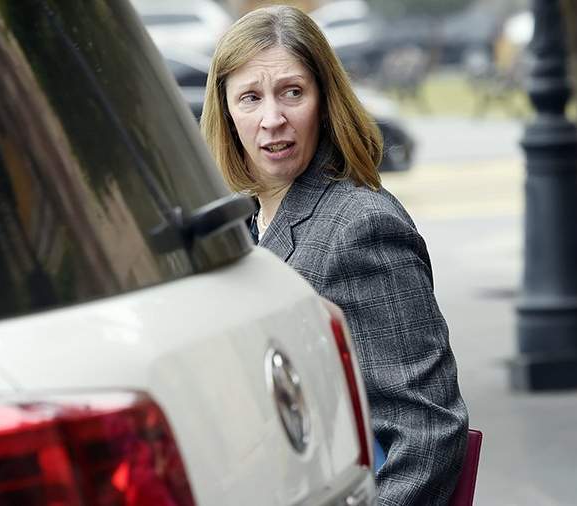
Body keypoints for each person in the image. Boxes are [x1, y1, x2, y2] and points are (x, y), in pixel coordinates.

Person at [200, 6, 469, 505]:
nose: (273, 119)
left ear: (324, 102)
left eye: (292, 92)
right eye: (251, 98)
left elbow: (427, 431)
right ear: (228, 113)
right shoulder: (245, 226)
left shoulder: (360, 226)